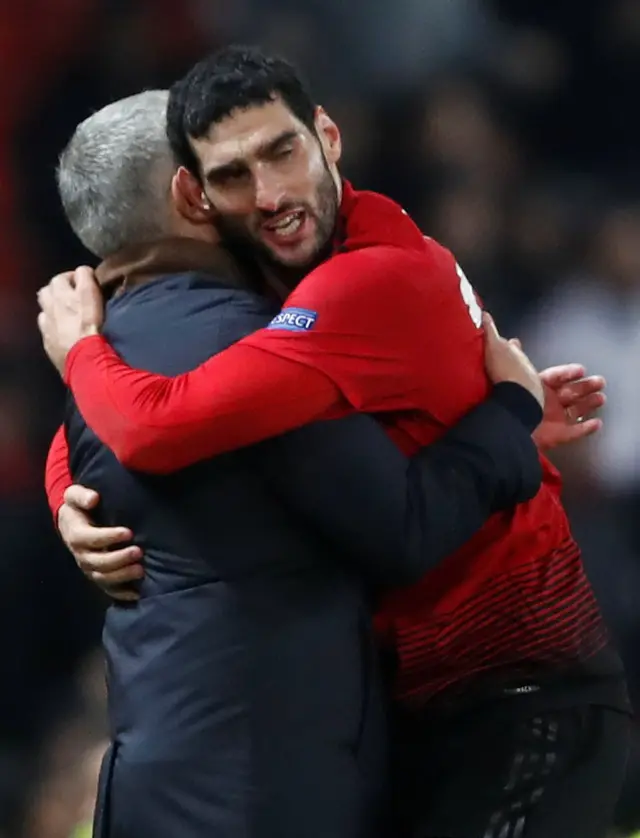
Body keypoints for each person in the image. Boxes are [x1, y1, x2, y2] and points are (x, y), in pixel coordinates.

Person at [39, 47, 629, 838]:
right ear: (196, 194)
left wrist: (510, 412)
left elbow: (150, 425)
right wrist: (70, 501)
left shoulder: (347, 285)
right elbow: (117, 427)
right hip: (418, 713)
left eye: (282, 151)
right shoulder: (286, 285)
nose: (270, 194)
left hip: (516, 700)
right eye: (234, 174)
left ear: (329, 136)